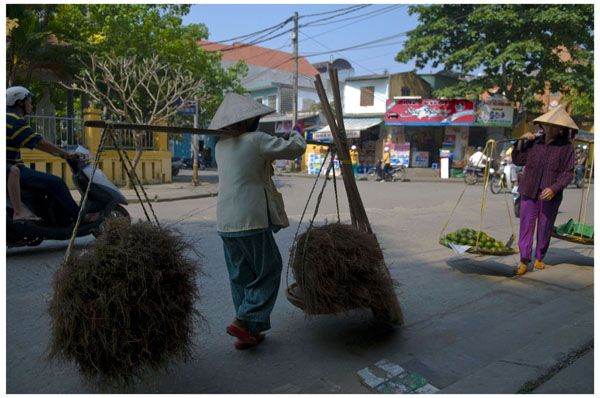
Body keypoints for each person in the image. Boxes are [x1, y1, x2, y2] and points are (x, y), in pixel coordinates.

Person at [210, 93, 306, 350]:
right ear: (249, 122)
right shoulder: (256, 140)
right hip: (249, 219)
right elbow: (295, 149)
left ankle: (249, 331)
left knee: (241, 276)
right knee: (270, 268)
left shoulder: (220, 145)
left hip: (225, 222)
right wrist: (297, 133)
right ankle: (243, 320)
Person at [6, 86, 98, 224]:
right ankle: (79, 218)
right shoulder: (14, 120)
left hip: (11, 168)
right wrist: (66, 154)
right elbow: (41, 143)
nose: (31, 105)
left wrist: (62, 155)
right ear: (19, 102)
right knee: (57, 183)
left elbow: (36, 144)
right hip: (13, 169)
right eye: (29, 102)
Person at [512, 106, 576, 275]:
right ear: (542, 125)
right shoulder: (534, 143)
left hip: (550, 194)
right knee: (526, 225)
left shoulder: (566, 147)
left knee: (545, 226)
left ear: (562, 128)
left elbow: (568, 172)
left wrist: (554, 188)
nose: (550, 128)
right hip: (529, 190)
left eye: (555, 126)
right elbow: (518, 160)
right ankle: (524, 259)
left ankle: (539, 257)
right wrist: (520, 143)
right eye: (547, 125)